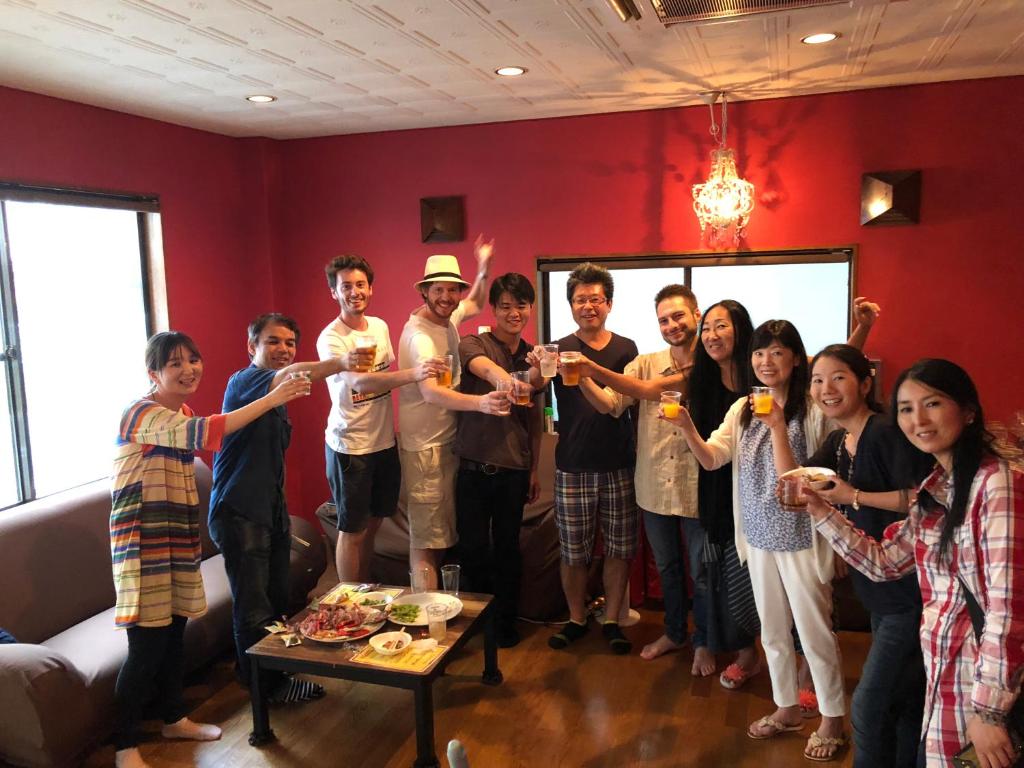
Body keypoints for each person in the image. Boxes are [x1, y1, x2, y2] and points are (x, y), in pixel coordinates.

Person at [804, 359, 1024, 768]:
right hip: (943, 686)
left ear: (969, 410)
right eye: (906, 408)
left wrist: (990, 711)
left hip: (979, 695)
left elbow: (1007, 606)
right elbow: (884, 563)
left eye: (933, 403)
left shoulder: (995, 484)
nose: (917, 419)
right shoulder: (936, 490)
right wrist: (819, 509)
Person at [111, 331, 310, 768]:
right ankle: (124, 744)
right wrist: (272, 398)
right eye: (175, 364)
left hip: (175, 539)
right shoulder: (138, 413)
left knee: (174, 632)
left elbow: (204, 434)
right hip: (142, 545)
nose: (189, 370)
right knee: (146, 644)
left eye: (193, 360)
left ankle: (173, 718)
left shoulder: (178, 410)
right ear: (153, 373)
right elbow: (208, 431)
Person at [662, 319, 847, 761]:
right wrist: (687, 426)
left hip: (802, 537)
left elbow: (798, 479)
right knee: (772, 631)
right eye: (759, 353)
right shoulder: (741, 408)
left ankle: (832, 720)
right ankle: (786, 708)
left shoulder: (812, 407)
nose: (766, 361)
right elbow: (712, 460)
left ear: (796, 359)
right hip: (759, 535)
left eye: (777, 352)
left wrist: (779, 425)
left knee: (814, 630)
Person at [210, 313, 349, 703]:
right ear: (252, 346)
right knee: (253, 607)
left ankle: (271, 674)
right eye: (273, 342)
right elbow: (300, 373)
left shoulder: (280, 396)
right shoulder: (246, 381)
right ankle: (261, 690)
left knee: (276, 600)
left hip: (269, 510)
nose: (283, 349)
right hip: (238, 512)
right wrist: (340, 362)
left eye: (289, 343)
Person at [803, 344, 930, 768]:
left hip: (906, 594)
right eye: (818, 380)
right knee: (905, 702)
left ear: (866, 383)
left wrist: (852, 496)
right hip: (878, 589)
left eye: (838, 377)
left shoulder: (883, 432)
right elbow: (799, 477)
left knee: (868, 708)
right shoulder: (841, 440)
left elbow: (923, 500)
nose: (826, 388)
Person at [571, 284, 708, 668]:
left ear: (696, 315)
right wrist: (581, 376)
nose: (672, 325)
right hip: (653, 487)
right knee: (667, 567)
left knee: (702, 570)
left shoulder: (712, 363)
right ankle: (676, 632)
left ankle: (706, 641)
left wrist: (593, 368)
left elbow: (649, 391)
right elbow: (612, 406)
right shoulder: (645, 361)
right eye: (664, 319)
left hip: (700, 484)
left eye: (679, 316)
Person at [317, 254, 444, 583]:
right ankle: (348, 601)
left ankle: (366, 592)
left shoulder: (379, 326)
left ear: (371, 289)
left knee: (374, 524)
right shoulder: (331, 338)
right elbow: (359, 381)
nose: (354, 292)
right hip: (350, 446)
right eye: (346, 286)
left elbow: (382, 372)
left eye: (360, 284)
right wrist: (415, 374)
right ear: (334, 292)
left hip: (384, 441)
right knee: (352, 529)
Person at [397, 238, 509, 589]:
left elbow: (475, 301)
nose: (447, 297)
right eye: (439, 290)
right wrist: (482, 403)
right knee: (427, 541)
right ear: (425, 292)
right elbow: (430, 392)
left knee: (443, 536)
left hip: (447, 445)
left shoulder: (445, 318)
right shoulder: (421, 337)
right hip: (425, 450)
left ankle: (437, 620)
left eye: (452, 290)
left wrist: (483, 265)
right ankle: (426, 630)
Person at [544, 262, 639, 655]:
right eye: (580, 299)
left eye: (595, 299)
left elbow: (625, 401)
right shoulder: (557, 348)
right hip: (572, 465)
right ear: (570, 305)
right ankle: (577, 618)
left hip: (619, 464)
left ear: (609, 304)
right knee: (573, 551)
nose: (588, 306)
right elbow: (534, 386)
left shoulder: (627, 348)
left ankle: (612, 619)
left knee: (619, 549)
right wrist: (535, 367)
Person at [454, 272, 543, 648]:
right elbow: (481, 368)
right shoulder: (474, 342)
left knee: (507, 548)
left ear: (530, 309)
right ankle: (476, 626)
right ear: (493, 309)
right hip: (472, 467)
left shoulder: (535, 355)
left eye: (520, 305)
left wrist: (535, 467)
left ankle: (505, 625)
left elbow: (535, 417)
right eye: (505, 305)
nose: (513, 312)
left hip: (514, 471)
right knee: (472, 548)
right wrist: (511, 381)